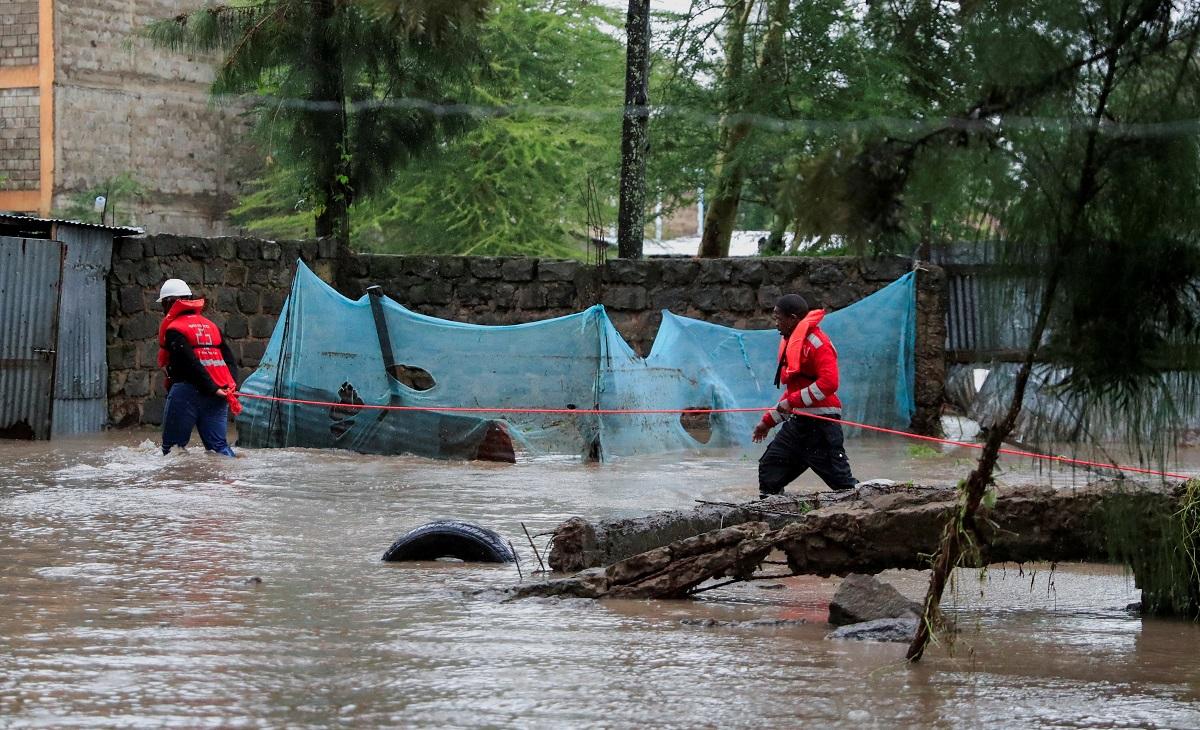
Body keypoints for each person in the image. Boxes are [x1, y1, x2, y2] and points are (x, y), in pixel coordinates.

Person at [751, 293, 856, 495]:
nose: (776, 324)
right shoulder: (794, 344)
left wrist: (792, 402)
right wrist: (767, 422)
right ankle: (773, 511)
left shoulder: (818, 343)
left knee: (843, 485)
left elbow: (829, 383)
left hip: (822, 425)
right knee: (769, 469)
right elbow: (792, 396)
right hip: (799, 425)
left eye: (778, 319)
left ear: (793, 319)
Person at [156, 278, 242, 457]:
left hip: (187, 393)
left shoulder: (174, 330)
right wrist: (229, 387)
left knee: (172, 450)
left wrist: (212, 388)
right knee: (219, 449)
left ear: (169, 303)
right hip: (218, 394)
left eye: (163, 304)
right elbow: (230, 361)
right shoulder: (211, 326)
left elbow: (190, 363)